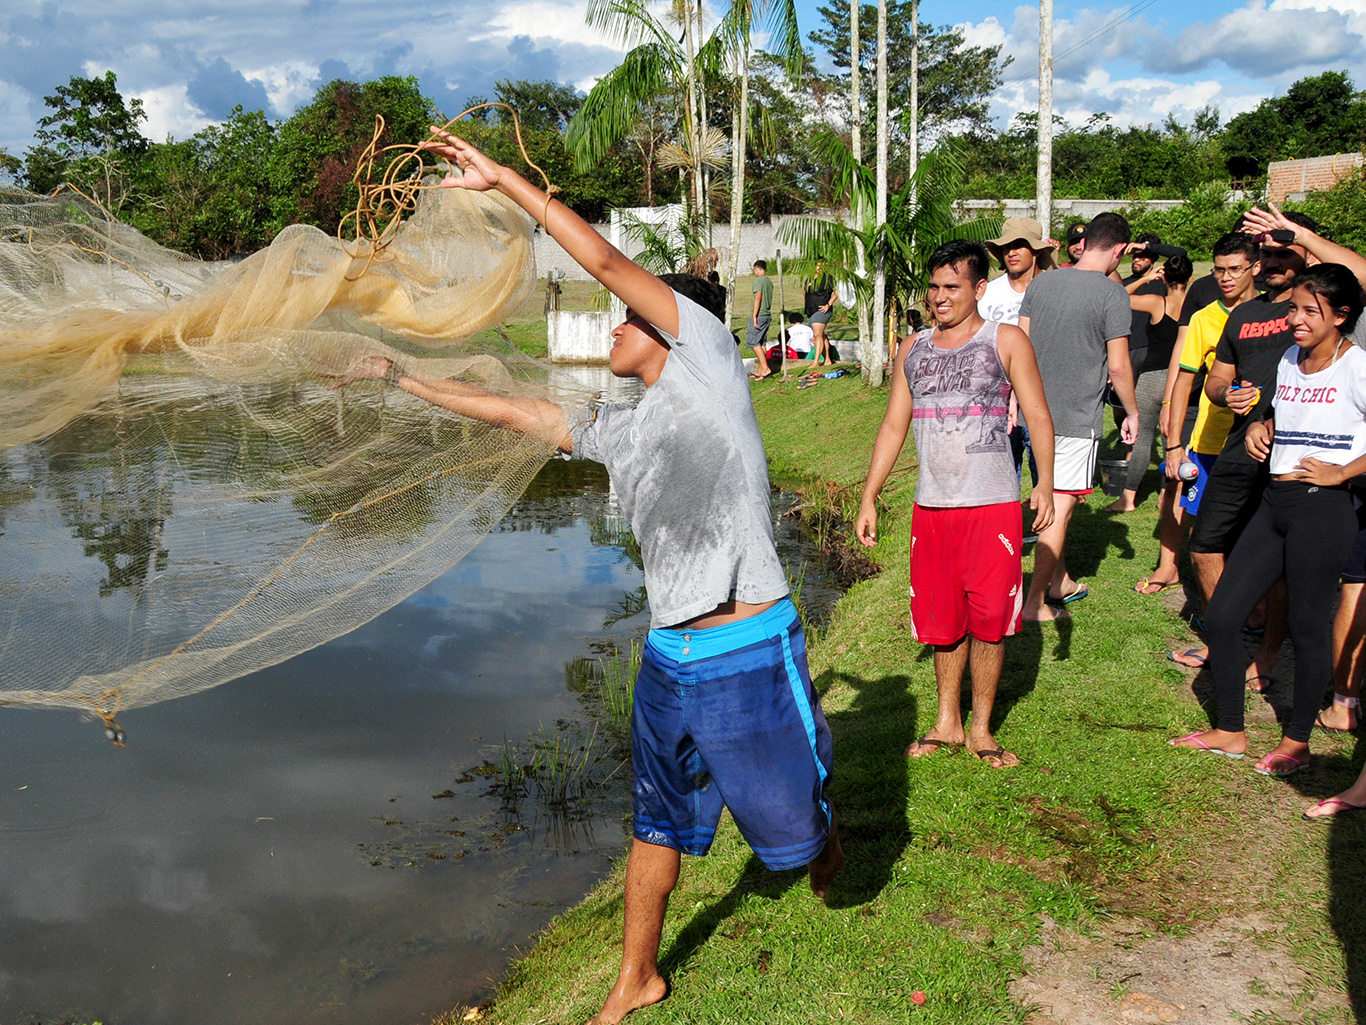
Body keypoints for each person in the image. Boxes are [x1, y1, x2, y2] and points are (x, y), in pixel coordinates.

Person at [342, 129, 843, 1025]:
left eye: (623, 316)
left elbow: (607, 260)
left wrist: (505, 184)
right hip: (669, 660)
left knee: (799, 845)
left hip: (745, 649)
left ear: (667, 327)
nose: (611, 322)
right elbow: (520, 411)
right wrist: (405, 379)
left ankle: (821, 830)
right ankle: (635, 977)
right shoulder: (628, 421)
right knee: (656, 820)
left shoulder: (710, 366)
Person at [855, 240, 1056, 767]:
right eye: (934, 287)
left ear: (978, 289)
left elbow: (1036, 413)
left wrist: (1044, 482)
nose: (939, 298)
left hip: (991, 506)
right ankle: (947, 721)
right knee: (943, 620)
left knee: (990, 620)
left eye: (953, 287)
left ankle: (982, 728)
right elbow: (894, 423)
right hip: (932, 508)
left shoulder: (1005, 340)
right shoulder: (913, 348)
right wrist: (869, 495)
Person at [1172, 264, 1366, 775]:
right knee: (1221, 615)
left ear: (1341, 316)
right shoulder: (1287, 357)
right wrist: (1263, 426)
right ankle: (1231, 731)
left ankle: (1297, 740)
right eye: (1294, 308)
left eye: (1309, 311)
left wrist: (1343, 471)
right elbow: (1286, 413)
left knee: (1306, 626)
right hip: (1273, 504)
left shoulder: (1357, 367)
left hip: (1323, 512)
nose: (1295, 320)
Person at [1198, 203, 1366, 696]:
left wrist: (1297, 233)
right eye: (1264, 253)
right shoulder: (1254, 320)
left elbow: (1356, 273)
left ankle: (1272, 657)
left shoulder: (1334, 324)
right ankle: (1227, 640)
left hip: (1317, 484)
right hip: (1250, 451)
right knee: (1207, 543)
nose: (1271, 261)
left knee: (1300, 578)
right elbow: (1225, 381)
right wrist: (1242, 409)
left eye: (1282, 251)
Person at [1017, 212, 1138, 621]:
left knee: (1050, 498)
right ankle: (1033, 603)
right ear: (1119, 250)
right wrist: (1131, 411)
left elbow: (1022, 343)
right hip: (1074, 417)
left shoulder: (1041, 281)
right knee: (1061, 505)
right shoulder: (1112, 294)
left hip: (1034, 414)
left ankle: (1060, 580)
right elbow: (1119, 368)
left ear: (1086, 243)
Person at [1160, 234, 1263, 667]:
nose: (1225, 277)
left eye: (1234, 269)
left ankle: (1254, 617)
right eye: (1219, 269)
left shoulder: (1276, 315)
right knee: (1209, 539)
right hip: (1207, 443)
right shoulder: (1204, 317)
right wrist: (1173, 443)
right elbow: (1185, 380)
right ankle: (1219, 622)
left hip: (1260, 445)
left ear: (1255, 268)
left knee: (1252, 536)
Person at [1108, 252, 1191, 515]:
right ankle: (1167, 493)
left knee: (1141, 440)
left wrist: (1144, 278)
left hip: (1153, 377)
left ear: (1164, 275)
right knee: (1174, 438)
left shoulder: (1157, 302)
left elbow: (1119, 296)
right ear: (1189, 277)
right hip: (1181, 379)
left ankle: (1128, 498)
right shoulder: (1196, 305)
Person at [805, 259, 836, 365]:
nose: (819, 268)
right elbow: (805, 292)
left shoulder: (829, 278)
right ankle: (827, 359)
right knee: (821, 335)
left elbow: (837, 292)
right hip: (810, 310)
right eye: (817, 265)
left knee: (817, 335)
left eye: (821, 266)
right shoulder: (809, 278)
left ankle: (816, 361)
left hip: (821, 310)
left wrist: (829, 304)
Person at [749, 259, 775, 379]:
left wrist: (754, 316)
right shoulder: (769, 281)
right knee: (762, 342)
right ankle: (760, 370)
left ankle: (765, 368)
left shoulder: (758, 281)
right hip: (767, 315)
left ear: (757, 269)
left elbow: (758, 298)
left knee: (752, 340)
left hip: (760, 314)